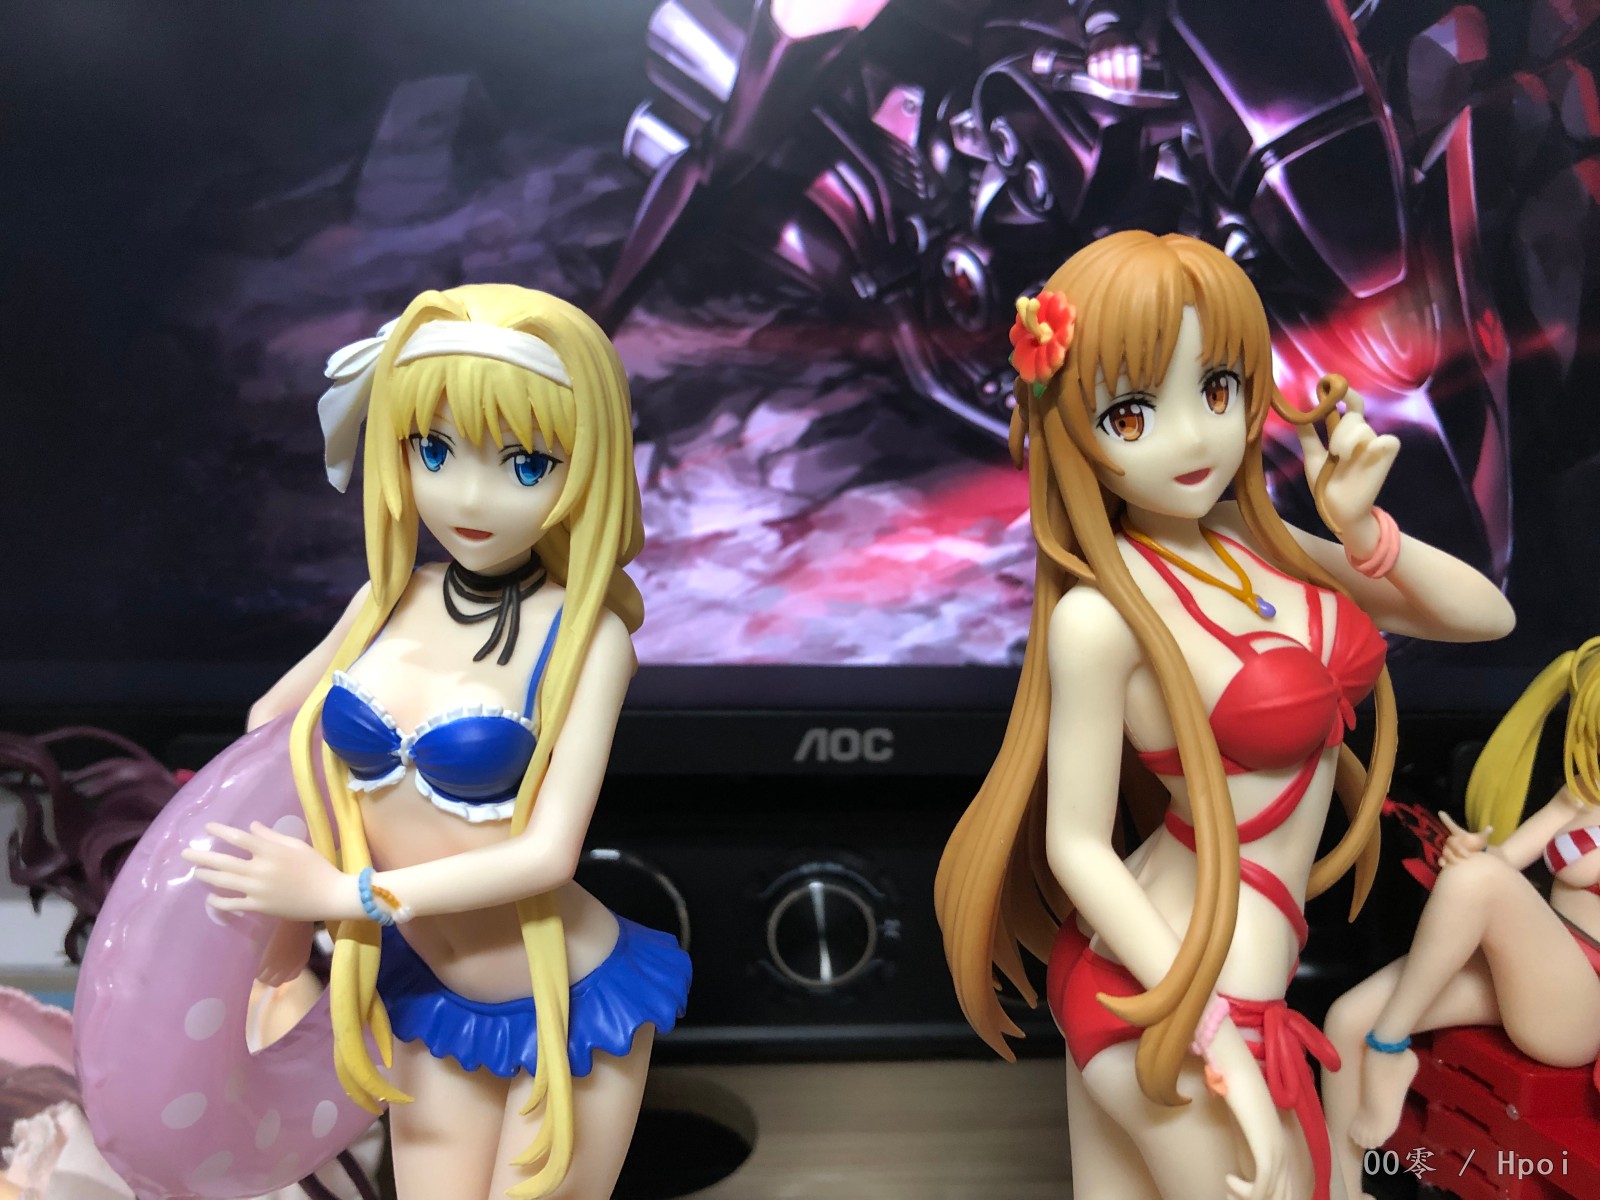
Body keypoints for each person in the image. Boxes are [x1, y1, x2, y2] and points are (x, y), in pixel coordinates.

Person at [934, 231, 1514, 1200]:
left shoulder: (1253, 539)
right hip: (1179, 990)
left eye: (1215, 390)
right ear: (1068, 425)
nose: (1192, 440)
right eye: (1131, 413)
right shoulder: (1100, 616)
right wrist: (1219, 1045)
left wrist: (1361, 532)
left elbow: (1484, 617)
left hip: (1215, 979)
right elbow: (1076, 845)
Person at [182, 284, 691, 1200]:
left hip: (569, 1005)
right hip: (432, 997)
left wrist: (343, 894)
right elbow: (271, 729)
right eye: (434, 450)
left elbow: (546, 856)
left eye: (526, 463)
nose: (468, 496)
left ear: (588, 465)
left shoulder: (587, 637)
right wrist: (281, 927)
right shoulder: (383, 603)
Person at [1322, 640, 1600, 1200]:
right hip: (1537, 970)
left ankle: (1389, 1047)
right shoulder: (1578, 798)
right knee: (1346, 1019)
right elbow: (1505, 862)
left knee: (1479, 882)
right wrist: (1470, 851)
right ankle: (1341, 1189)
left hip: (1582, 1007)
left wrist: (1479, 874)